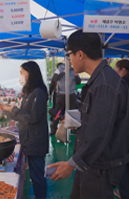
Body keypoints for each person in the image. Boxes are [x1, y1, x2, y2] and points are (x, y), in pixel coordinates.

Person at [48, 30, 129, 199]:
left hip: (99, 168)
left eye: (69, 54)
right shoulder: (99, 80)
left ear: (80, 54)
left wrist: (71, 164)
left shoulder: (105, 84)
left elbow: (99, 134)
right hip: (87, 164)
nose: (69, 59)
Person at [0, 61, 49, 199]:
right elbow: (22, 114)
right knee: (34, 175)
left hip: (36, 141)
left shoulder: (38, 92)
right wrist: (8, 110)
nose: (20, 76)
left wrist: (13, 110)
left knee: (37, 176)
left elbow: (33, 117)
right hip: (29, 139)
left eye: (21, 73)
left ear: (30, 74)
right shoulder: (29, 92)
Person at [50, 60, 81, 135]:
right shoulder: (60, 68)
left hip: (71, 94)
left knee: (74, 111)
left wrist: (76, 75)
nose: (70, 62)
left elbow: (78, 82)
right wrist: (64, 72)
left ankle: (75, 130)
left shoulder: (74, 70)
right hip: (61, 94)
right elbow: (55, 78)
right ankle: (54, 129)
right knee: (58, 112)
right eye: (69, 61)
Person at [113, 59, 129, 199]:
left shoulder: (122, 87)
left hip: (124, 135)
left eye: (116, 70)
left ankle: (124, 193)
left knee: (124, 166)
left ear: (123, 71)